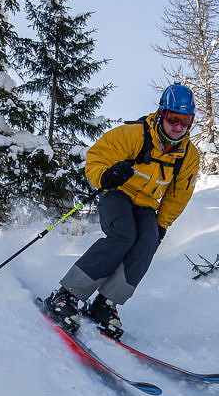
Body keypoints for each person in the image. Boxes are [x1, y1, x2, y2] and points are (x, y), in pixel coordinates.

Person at [44, 83, 200, 339]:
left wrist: (162, 224)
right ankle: (67, 294)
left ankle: (105, 303)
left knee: (148, 243)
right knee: (123, 235)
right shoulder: (134, 134)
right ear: (162, 114)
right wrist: (107, 174)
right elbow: (97, 157)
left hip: (147, 203)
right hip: (118, 193)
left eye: (186, 121)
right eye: (174, 119)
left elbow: (178, 194)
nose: (179, 127)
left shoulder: (188, 156)